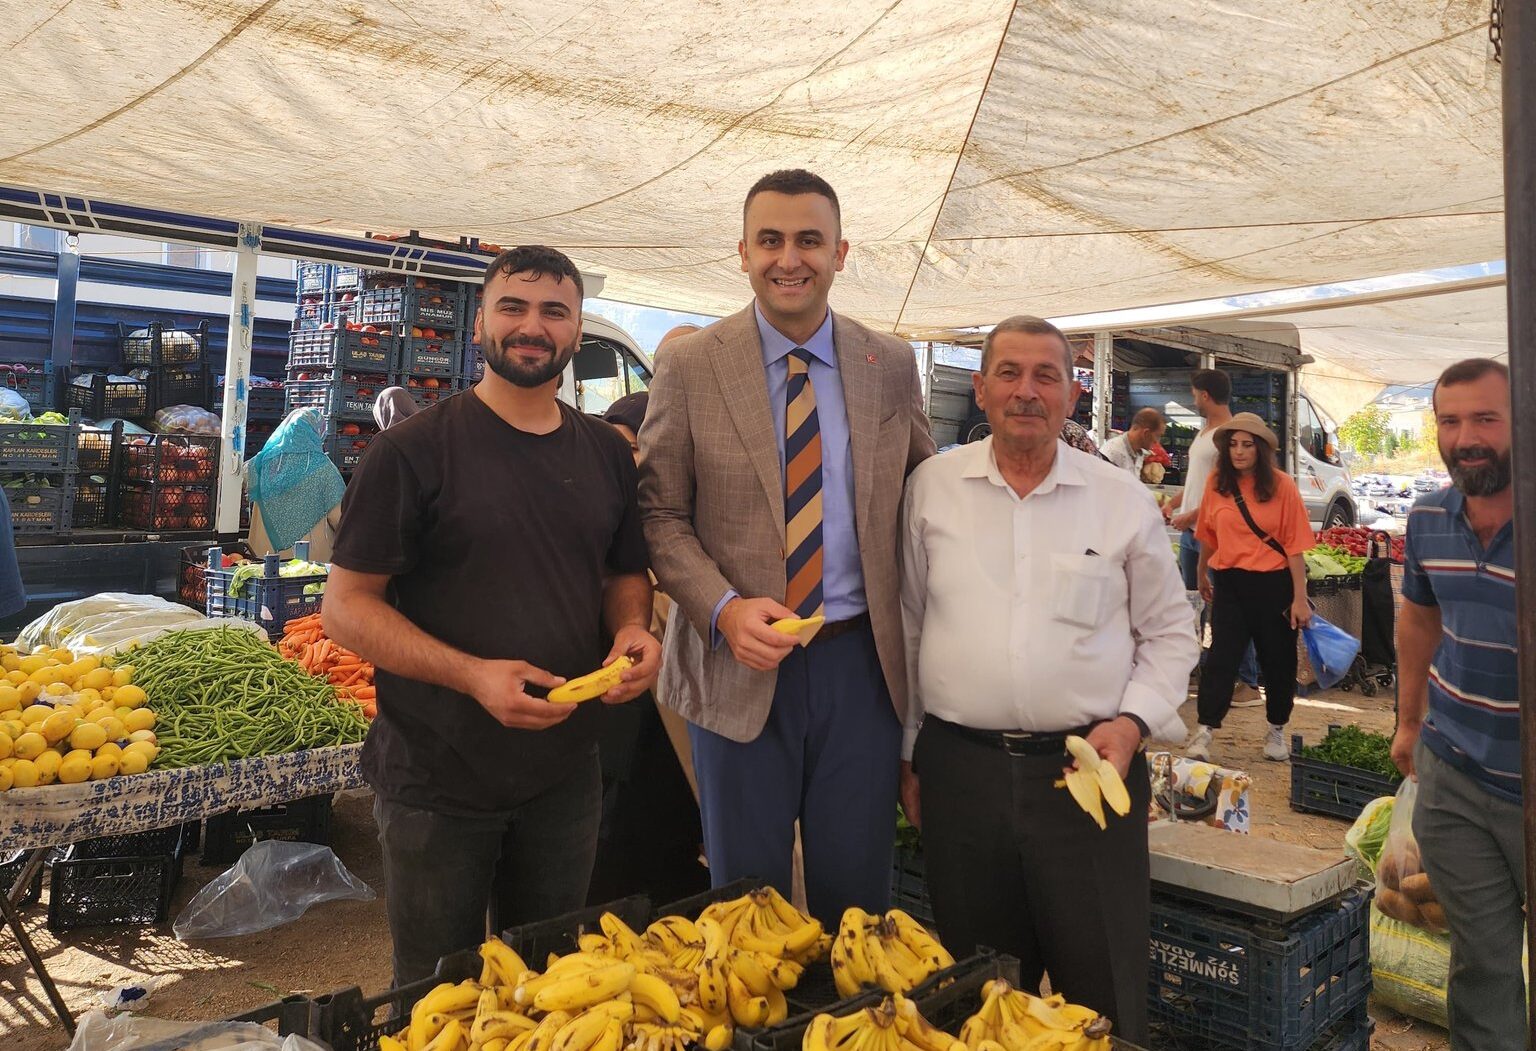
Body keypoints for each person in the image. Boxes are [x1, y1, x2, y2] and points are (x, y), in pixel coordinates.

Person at [323, 245, 662, 986]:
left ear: (575, 332)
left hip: (565, 775)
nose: (531, 326)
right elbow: (345, 608)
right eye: (513, 306)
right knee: (434, 992)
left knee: (547, 983)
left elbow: (622, 572)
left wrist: (634, 627)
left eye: (553, 311)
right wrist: (473, 675)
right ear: (480, 323)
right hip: (437, 775)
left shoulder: (605, 454)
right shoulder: (412, 451)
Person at [639, 168, 936, 923]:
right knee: (746, 908)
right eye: (770, 240)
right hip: (734, 664)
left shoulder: (889, 365)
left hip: (858, 669)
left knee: (855, 900)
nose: (789, 258)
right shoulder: (691, 364)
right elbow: (660, 515)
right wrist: (723, 609)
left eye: (809, 239)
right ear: (742, 252)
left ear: (841, 252)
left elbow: (928, 497)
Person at [899, 315, 1196, 1045]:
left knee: (1102, 992)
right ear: (980, 387)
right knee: (982, 991)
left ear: (1072, 391)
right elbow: (905, 628)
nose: (1025, 391)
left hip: (1087, 779)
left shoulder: (1118, 497)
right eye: (1008, 373)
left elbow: (1170, 632)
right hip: (959, 775)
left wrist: (1130, 725)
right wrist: (909, 753)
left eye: (1045, 376)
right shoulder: (932, 489)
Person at [1390, 359, 1519, 1051]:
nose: (1466, 436)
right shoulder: (1429, 518)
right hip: (1454, 774)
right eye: (1450, 420)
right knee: (1483, 959)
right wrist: (1410, 721)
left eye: (1486, 418)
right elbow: (1419, 618)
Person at [585, 391, 709, 906]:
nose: (621, 461)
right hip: (606, 741)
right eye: (613, 446)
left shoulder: (685, 525)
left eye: (634, 448)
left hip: (667, 741)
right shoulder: (594, 512)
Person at [1186, 413, 1313, 763]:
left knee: (1278, 661)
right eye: (1233, 444)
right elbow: (1208, 535)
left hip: (1274, 585)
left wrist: (1300, 598)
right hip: (1230, 583)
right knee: (1221, 657)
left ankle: (1276, 729)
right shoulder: (1216, 483)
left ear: (1260, 449)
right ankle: (1205, 730)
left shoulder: (1282, 486)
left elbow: (1294, 545)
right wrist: (1201, 573)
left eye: (1246, 445)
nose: (1239, 452)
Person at [1171, 370, 1261, 705]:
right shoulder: (1205, 432)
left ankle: (1247, 681)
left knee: (1228, 606)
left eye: (1195, 393)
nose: (1193, 399)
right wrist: (1178, 500)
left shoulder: (1230, 435)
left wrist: (1192, 514)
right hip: (1193, 533)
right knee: (1191, 606)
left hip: (1215, 534)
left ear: (1205, 394)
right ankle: (1196, 670)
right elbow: (1200, 481)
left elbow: (1227, 488)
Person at [244, 407, 345, 560]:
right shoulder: (324, 468)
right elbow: (340, 518)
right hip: (308, 563)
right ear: (318, 432)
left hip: (262, 559)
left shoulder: (258, 464)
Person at [1100, 407, 1164, 476]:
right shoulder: (1113, 453)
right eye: (1158, 436)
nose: (1157, 442)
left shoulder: (1139, 454)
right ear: (1146, 433)